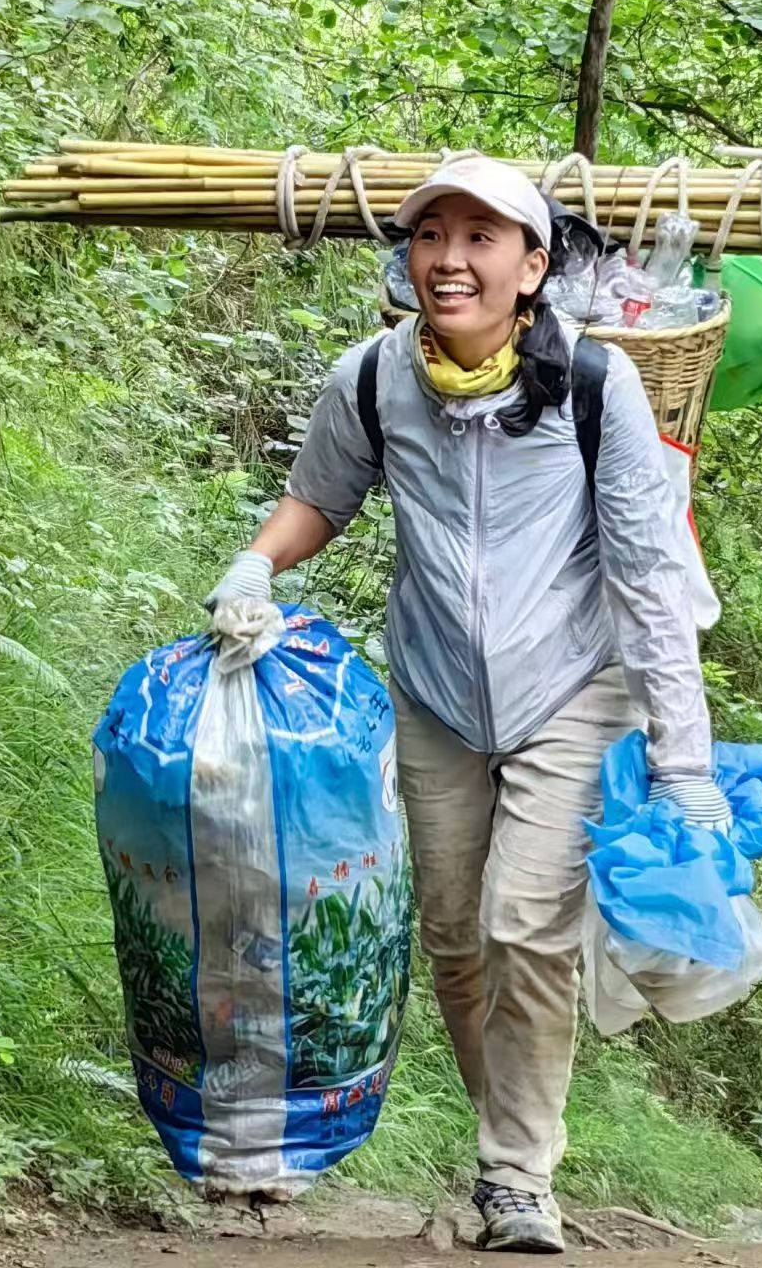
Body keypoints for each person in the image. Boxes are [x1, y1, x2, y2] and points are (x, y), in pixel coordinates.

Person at [207, 156, 730, 1253]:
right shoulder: (373, 377)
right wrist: (253, 568)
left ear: (532, 268)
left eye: (483, 238)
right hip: (438, 691)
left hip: (577, 686)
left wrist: (685, 762)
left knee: (522, 928)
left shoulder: (598, 386)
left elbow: (645, 573)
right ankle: (518, 1138)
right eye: (432, 235)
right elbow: (319, 497)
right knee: (452, 935)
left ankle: (516, 1176)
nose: (451, 258)